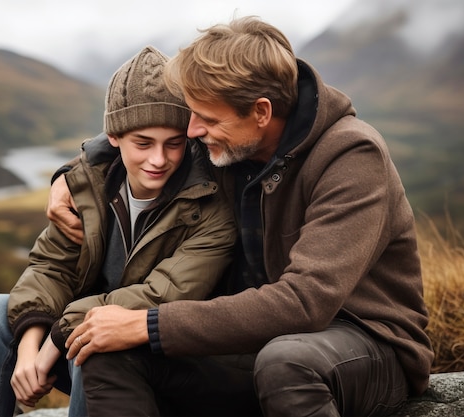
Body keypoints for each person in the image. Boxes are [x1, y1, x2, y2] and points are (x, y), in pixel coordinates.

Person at [47, 16, 434, 417]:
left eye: (208, 119)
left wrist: (149, 323)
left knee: (286, 363)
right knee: (110, 352)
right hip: (250, 345)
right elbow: (144, 130)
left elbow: (306, 302)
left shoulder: (351, 156)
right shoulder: (230, 143)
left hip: (363, 343)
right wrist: (74, 174)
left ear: (261, 112)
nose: (194, 130)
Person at [0, 46, 237, 417]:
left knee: (98, 341)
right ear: (113, 138)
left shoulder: (211, 203)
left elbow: (164, 295)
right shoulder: (87, 185)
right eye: (143, 143)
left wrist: (57, 338)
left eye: (174, 143)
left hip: (159, 362)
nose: (159, 159)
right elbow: (51, 267)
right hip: (78, 337)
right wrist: (29, 345)